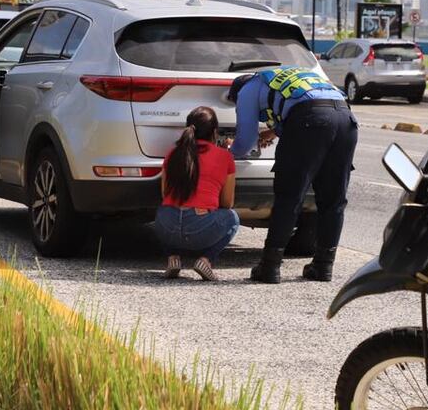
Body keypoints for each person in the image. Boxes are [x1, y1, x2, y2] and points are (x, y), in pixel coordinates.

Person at [228, 66, 357, 284]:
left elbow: (245, 142)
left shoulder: (246, 89)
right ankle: (323, 266)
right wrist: (275, 131)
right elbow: (313, 105)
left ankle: (269, 267)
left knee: (289, 196)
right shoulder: (287, 77)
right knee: (333, 199)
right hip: (346, 119)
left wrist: (226, 152)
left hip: (310, 120)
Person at [153, 106, 239, 280]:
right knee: (232, 218)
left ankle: (173, 258)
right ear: (214, 132)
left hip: (167, 225)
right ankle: (206, 261)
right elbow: (227, 203)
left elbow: (165, 194)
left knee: (165, 208)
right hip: (200, 228)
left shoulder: (173, 153)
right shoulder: (225, 157)